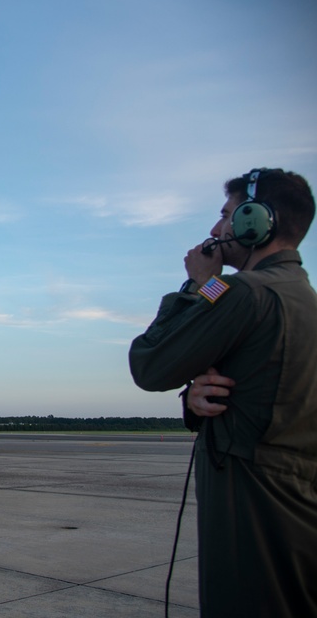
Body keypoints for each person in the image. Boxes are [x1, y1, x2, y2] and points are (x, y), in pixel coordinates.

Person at [129, 168, 317, 617]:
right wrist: (196, 398)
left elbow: (150, 365)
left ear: (256, 221)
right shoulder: (301, 297)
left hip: (253, 504)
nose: (215, 230)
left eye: (227, 216)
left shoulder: (239, 291)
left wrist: (197, 284)